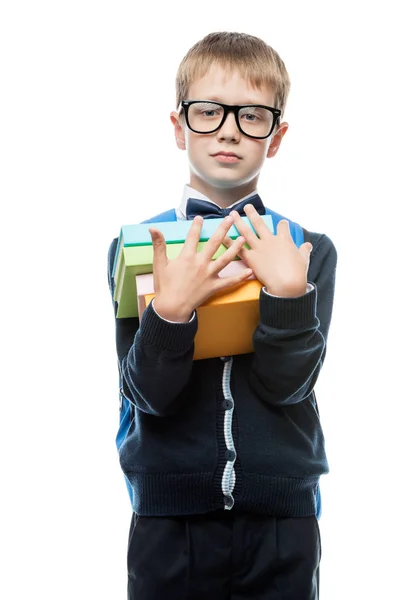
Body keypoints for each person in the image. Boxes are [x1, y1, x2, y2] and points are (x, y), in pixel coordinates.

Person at [107, 31, 337, 600]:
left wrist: (287, 296)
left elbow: (290, 387)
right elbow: (146, 394)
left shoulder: (308, 248)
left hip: (283, 518)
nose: (229, 129)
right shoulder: (138, 248)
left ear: (276, 137)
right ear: (180, 126)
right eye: (208, 112)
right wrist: (171, 309)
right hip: (168, 519)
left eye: (252, 115)